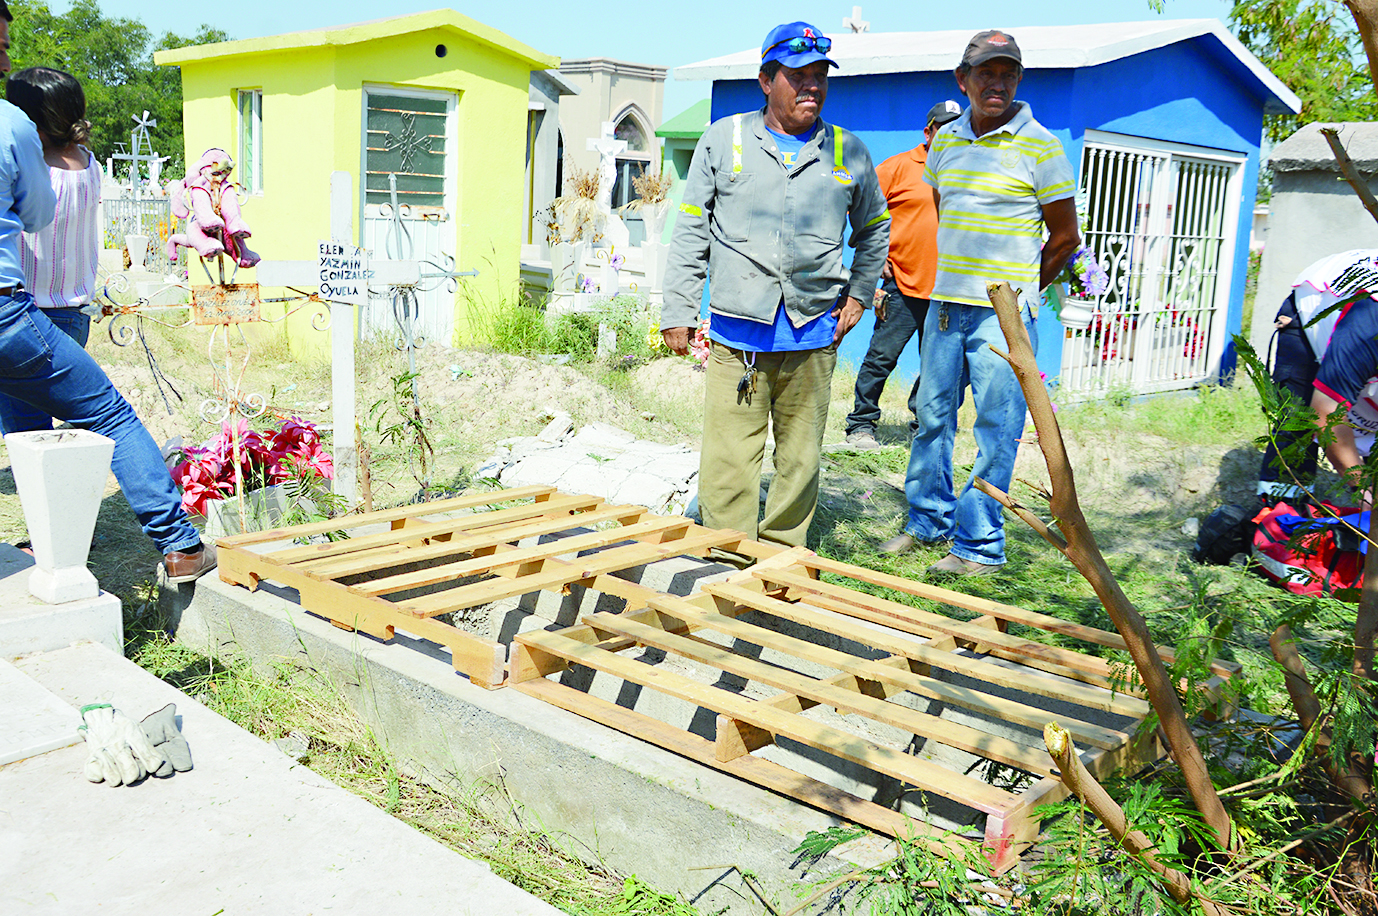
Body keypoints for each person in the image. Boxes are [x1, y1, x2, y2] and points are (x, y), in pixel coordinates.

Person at [661, 21, 889, 556]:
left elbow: (875, 229)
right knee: (727, 459)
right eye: (797, 76)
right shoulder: (726, 139)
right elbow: (692, 226)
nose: (811, 86)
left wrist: (858, 295)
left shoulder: (847, 151)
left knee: (801, 458)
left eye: (819, 77)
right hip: (738, 334)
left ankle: (783, 558)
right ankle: (724, 556)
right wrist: (679, 307)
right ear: (767, 80)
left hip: (811, 334)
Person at [0, 50, 215, 583]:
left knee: (30, 437)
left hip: (28, 307)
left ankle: (59, 539)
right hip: (66, 309)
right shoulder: (90, 166)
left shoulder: (32, 159)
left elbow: (31, 220)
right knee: (91, 421)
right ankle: (162, 541)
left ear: (29, 116)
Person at [880, 29, 1080, 576]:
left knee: (996, 428)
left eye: (1008, 73)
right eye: (986, 73)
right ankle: (927, 522)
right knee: (930, 416)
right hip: (946, 305)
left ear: (1018, 79)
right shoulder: (944, 142)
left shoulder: (1041, 144)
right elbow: (947, 214)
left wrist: (1020, 294)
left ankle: (979, 546)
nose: (998, 83)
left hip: (1002, 318)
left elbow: (1065, 238)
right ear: (962, 80)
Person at [843, 99, 963, 451]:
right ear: (928, 132)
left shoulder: (965, 172)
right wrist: (874, 254)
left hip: (948, 289)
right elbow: (859, 205)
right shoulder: (898, 167)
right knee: (882, 358)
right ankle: (861, 425)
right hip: (902, 283)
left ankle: (921, 426)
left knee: (940, 366)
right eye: (945, 129)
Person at [0, 67, 101, 434]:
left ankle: (45, 490)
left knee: (27, 429)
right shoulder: (91, 164)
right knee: (65, 412)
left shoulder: (35, 170)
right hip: (75, 312)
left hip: (28, 312)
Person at [1257, 249, 1378, 506]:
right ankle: (1277, 519)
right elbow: (1325, 413)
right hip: (1316, 304)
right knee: (1298, 422)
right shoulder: (1369, 327)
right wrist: (1365, 494)